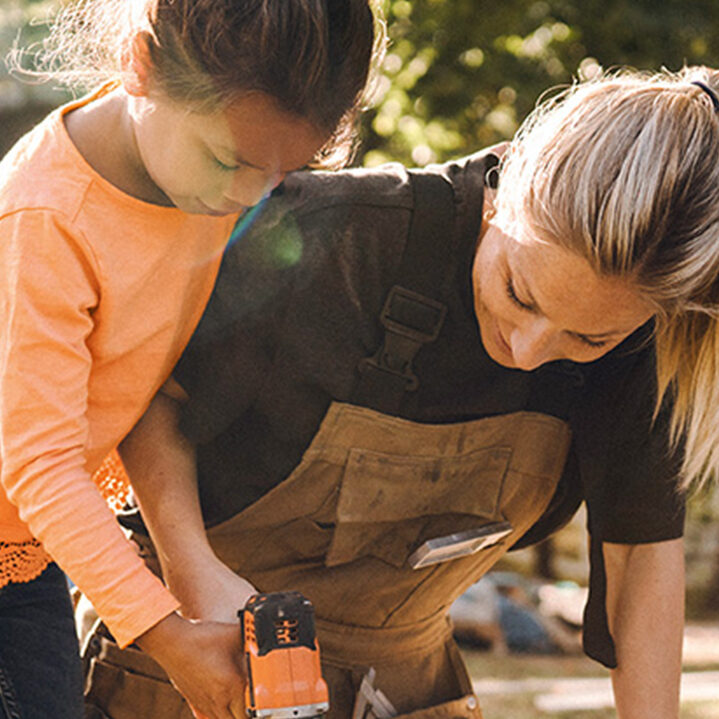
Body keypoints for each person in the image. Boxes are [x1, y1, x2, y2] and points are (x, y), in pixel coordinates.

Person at [82, 66, 719, 719]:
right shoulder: (329, 235)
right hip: (195, 655)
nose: (527, 350)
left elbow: (640, 556)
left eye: (586, 340)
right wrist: (190, 576)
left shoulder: (640, 338)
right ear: (503, 194)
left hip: (407, 683)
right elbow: (157, 395)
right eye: (517, 293)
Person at [0, 1, 384, 718]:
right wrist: (167, 634)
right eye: (228, 160)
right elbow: (38, 461)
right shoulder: (46, 220)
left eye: (281, 173)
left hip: (25, 546)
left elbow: (146, 387)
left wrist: (192, 570)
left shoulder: (192, 186)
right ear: (140, 66)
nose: (248, 196)